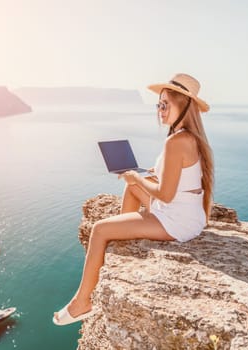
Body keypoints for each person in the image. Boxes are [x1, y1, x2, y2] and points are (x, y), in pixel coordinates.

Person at [53, 73, 214, 326]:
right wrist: (147, 174)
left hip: (176, 220)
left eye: (165, 105)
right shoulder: (189, 137)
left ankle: (82, 303)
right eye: (158, 105)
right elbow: (178, 179)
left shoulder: (176, 141)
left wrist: (134, 177)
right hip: (188, 214)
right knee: (132, 191)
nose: (159, 110)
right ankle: (124, 233)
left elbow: (165, 194)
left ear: (183, 105)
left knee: (99, 229)